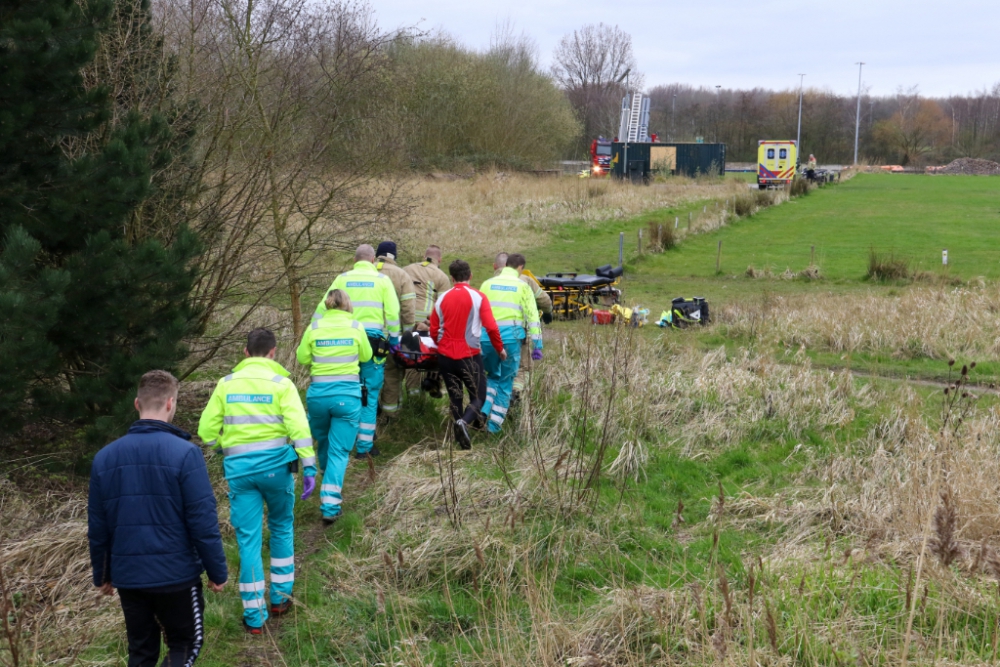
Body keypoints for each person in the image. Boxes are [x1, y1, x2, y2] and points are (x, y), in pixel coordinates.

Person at [89, 370, 228, 666]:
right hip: (176, 575)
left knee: (141, 652)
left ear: (137, 404)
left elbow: (98, 525)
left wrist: (102, 574)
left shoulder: (104, 458)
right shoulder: (186, 454)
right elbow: (202, 521)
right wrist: (217, 572)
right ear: (170, 403)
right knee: (187, 644)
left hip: (129, 577)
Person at [197, 328, 316, 635]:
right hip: (277, 470)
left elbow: (206, 432)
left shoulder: (225, 384)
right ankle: (280, 598)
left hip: (239, 473)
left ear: (246, 353)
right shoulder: (282, 384)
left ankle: (254, 615)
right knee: (281, 527)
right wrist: (309, 465)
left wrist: (224, 446)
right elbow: (299, 426)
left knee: (248, 539)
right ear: (273, 352)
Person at [315, 244, 400, 458]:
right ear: (373, 261)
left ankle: (345, 440)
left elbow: (322, 307)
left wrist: (314, 333)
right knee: (370, 395)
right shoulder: (382, 281)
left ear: (355, 261)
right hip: (373, 343)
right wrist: (396, 338)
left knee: (347, 391)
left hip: (344, 341)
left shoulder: (342, 279)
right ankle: (364, 448)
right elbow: (392, 312)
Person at [296, 289, 372, 525]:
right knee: (339, 451)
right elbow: (367, 356)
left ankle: (327, 475)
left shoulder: (314, 327)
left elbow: (302, 358)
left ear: (327, 305)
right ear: (347, 305)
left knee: (324, 441)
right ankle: (330, 503)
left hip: (318, 396)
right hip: (347, 398)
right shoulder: (356, 326)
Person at [430, 259, 506, 449]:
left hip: (445, 357)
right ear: (470, 276)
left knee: (455, 396)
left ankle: (460, 439)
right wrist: (499, 349)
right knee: (478, 396)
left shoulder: (442, 298)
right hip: (469, 356)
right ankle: (463, 423)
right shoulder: (478, 297)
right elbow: (491, 327)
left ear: (452, 277)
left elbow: (433, 329)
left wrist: (442, 345)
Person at [479, 253, 543, 433]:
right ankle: (493, 428)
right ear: (521, 268)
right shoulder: (523, 286)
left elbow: (477, 312)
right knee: (507, 382)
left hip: (486, 338)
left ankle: (483, 412)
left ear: (505, 265)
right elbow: (532, 318)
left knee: (492, 375)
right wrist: (537, 345)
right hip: (511, 339)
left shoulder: (486, 284)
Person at [373, 241, 416, 415]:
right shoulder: (401, 275)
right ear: (394, 257)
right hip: (390, 336)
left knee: (362, 375)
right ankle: (390, 415)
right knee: (391, 374)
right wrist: (406, 335)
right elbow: (407, 309)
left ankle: (364, 413)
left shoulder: (359, 273)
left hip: (359, 337)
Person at [403, 245, 452, 398]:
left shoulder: (406, 269)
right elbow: (444, 306)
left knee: (411, 357)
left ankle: (413, 395)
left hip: (405, 319)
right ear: (440, 260)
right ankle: (433, 382)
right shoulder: (441, 276)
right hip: (427, 323)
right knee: (435, 353)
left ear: (425, 257)